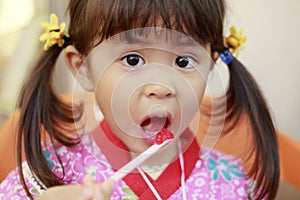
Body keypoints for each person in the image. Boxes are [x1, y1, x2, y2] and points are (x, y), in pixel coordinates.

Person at [0, 0, 280, 199]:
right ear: (83, 68)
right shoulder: (47, 176)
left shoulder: (235, 185)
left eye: (184, 61)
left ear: (210, 66)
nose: (160, 87)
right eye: (132, 60)